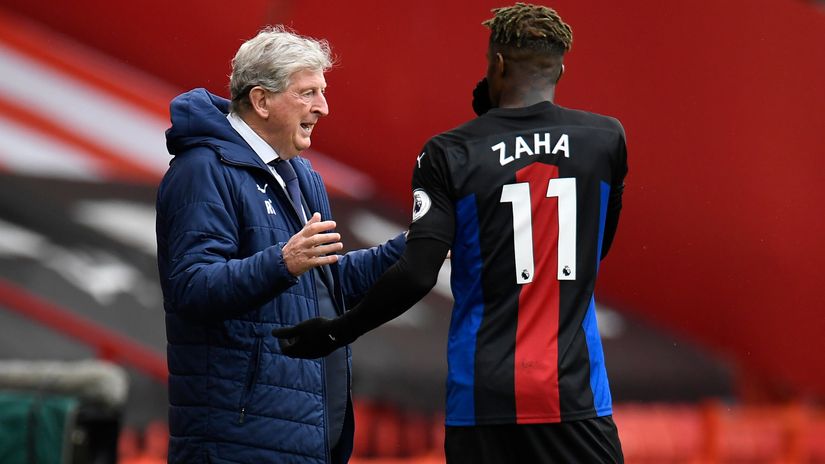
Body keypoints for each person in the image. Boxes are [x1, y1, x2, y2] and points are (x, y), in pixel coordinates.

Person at [273, 3, 628, 463]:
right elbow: (594, 248)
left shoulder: (449, 152)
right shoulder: (606, 139)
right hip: (575, 394)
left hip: (482, 399)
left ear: (497, 64)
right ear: (561, 67)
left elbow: (418, 273)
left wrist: (337, 332)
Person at [155, 26, 406, 463]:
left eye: (322, 92)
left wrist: (416, 246)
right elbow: (190, 287)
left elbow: (326, 283)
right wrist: (283, 261)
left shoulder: (301, 174)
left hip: (305, 435)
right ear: (261, 101)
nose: (323, 108)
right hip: (237, 442)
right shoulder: (202, 171)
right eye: (308, 93)